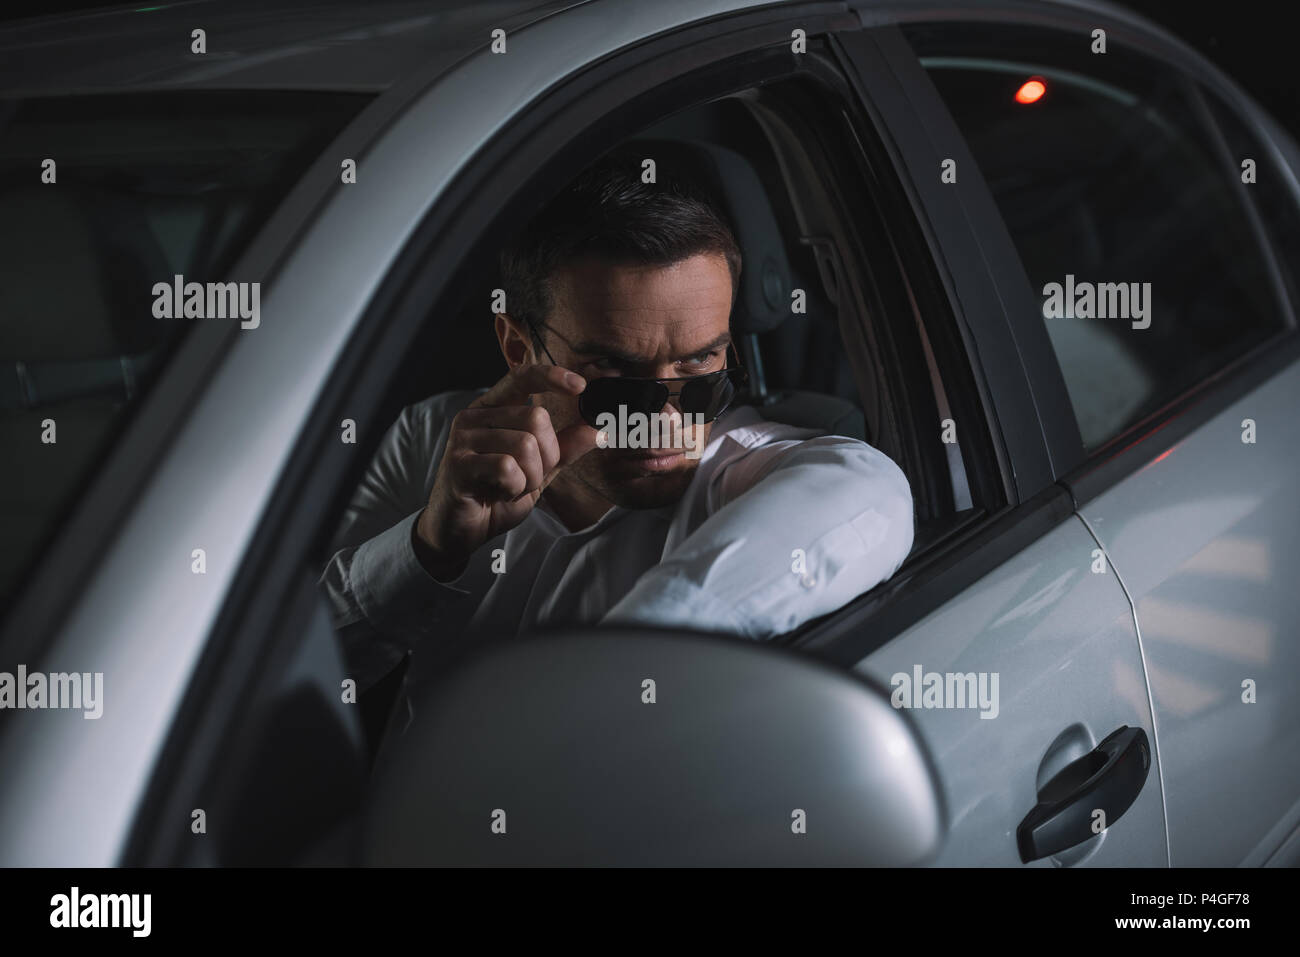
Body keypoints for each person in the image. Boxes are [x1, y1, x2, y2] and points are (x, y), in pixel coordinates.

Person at [319, 154, 915, 693]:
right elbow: (288, 676)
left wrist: (626, 663)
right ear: (518, 347)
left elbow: (869, 491)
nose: (662, 418)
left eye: (700, 363)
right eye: (612, 370)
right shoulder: (433, 439)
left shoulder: (751, 477)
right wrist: (429, 547)